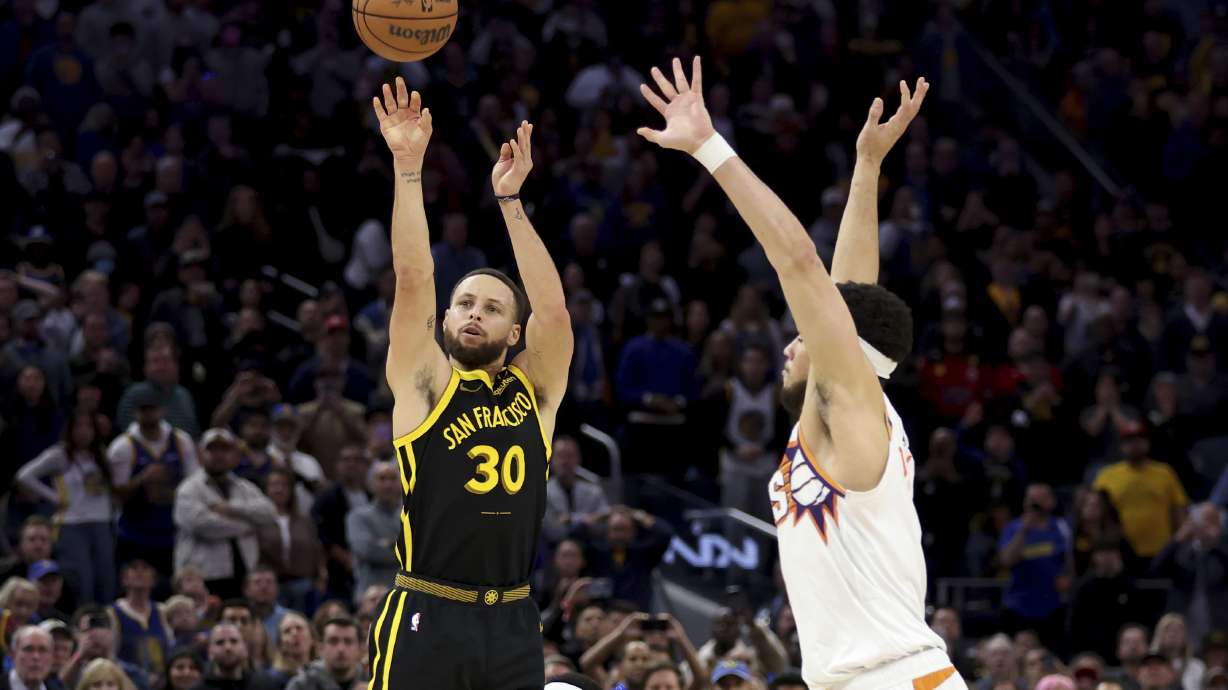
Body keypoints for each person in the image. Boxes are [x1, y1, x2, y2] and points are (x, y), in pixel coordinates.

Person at [638, 57, 957, 689]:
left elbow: (802, 265)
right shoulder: (849, 412)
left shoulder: (857, 409)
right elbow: (848, 288)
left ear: (846, 350)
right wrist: (866, 169)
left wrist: (709, 146)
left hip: (895, 678)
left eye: (806, 334)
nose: (790, 343)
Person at [364, 77, 572, 690]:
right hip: (429, 607)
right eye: (464, 304)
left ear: (514, 335)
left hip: (512, 615)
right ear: (447, 320)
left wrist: (510, 202)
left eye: (492, 307)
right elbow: (411, 275)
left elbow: (555, 314)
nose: (475, 313)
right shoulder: (425, 383)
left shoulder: (534, 395)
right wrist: (407, 167)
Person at [15, 410, 116, 605]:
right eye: (79, 426)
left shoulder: (102, 455)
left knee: (106, 579)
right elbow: (24, 475)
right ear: (70, 429)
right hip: (72, 523)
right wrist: (54, 496)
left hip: (102, 522)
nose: (84, 432)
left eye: (89, 426)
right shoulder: (60, 455)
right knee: (82, 578)